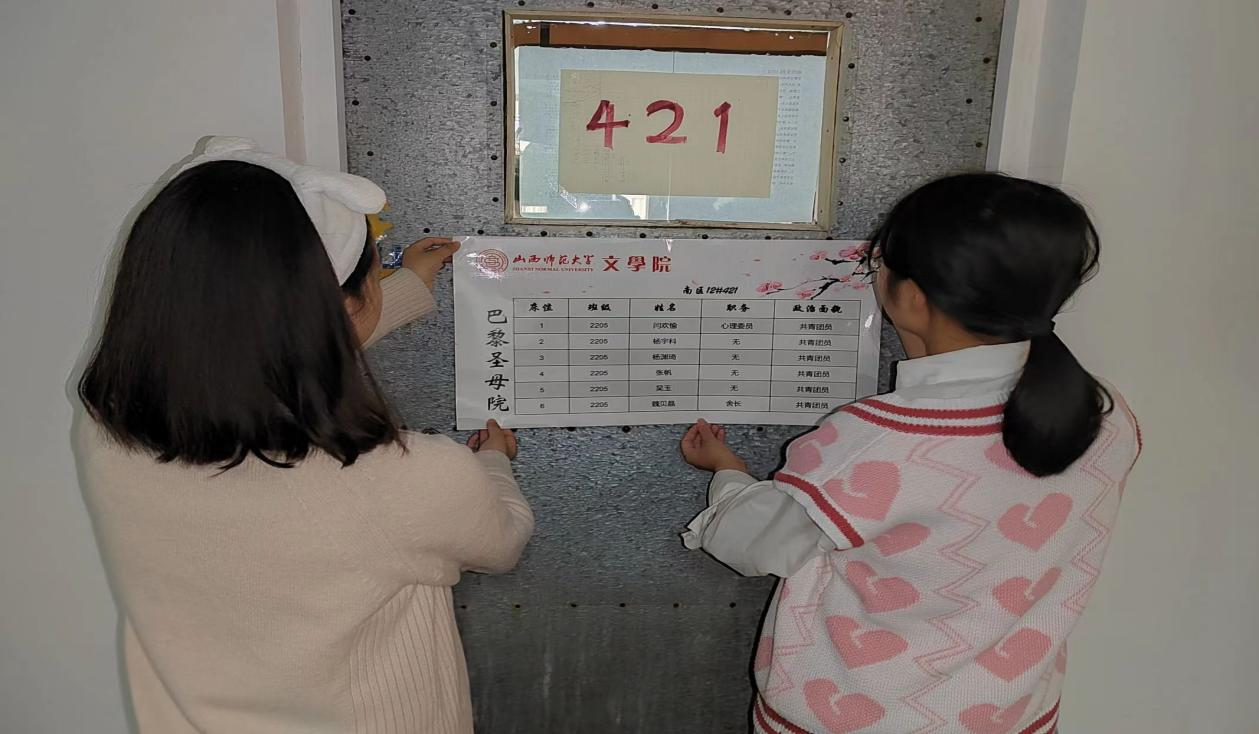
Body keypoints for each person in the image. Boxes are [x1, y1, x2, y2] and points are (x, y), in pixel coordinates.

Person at [75, 138, 533, 733]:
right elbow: (502, 542)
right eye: (377, 270)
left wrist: (407, 285)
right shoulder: (401, 478)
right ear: (341, 308)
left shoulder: (108, 429)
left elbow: (256, 352)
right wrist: (493, 464)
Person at [680, 173, 1140, 734]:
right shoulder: (1106, 413)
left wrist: (728, 473)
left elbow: (752, 542)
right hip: (1011, 716)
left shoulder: (880, 439)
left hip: (855, 719)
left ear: (913, 298)